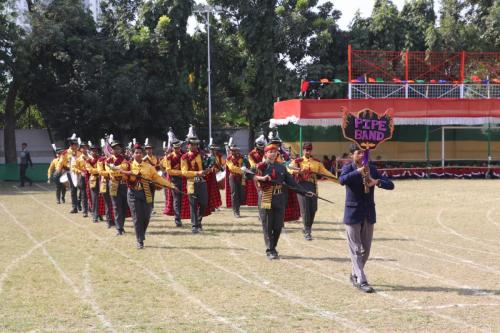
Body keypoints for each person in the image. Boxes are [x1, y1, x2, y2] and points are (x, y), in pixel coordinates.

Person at [339, 144, 394, 293]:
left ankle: (355, 273)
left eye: (363, 153)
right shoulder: (348, 168)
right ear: (352, 155)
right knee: (355, 249)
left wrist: (376, 181)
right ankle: (362, 280)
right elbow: (342, 180)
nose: (362, 156)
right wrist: (358, 172)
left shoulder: (372, 169)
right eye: (358, 153)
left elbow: (391, 185)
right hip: (352, 214)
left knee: (366, 250)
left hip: (368, 214)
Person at [254, 144, 314, 260]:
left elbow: (292, 182)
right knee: (267, 225)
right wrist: (262, 178)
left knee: (277, 226)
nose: (273, 153)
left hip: (279, 198)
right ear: (265, 153)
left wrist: (305, 192)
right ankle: (270, 250)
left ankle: (273, 246)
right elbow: (248, 174)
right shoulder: (261, 166)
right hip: (266, 197)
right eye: (270, 151)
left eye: (275, 151)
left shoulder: (281, 167)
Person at [119, 144, 177, 249]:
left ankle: (141, 233)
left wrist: (171, 185)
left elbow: (158, 178)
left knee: (146, 216)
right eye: (136, 152)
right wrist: (120, 171)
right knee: (137, 217)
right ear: (132, 154)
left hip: (146, 193)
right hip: (133, 193)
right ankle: (139, 240)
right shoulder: (128, 165)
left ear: (142, 154)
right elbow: (118, 172)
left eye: (140, 153)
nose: (138, 154)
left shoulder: (149, 167)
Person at [288, 142, 338, 240]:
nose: (308, 151)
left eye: (309, 150)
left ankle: (307, 227)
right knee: (305, 209)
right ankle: (307, 231)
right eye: (306, 149)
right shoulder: (298, 161)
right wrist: (298, 171)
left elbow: (326, 173)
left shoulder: (317, 162)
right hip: (301, 186)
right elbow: (288, 168)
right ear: (303, 150)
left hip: (312, 186)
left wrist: (338, 180)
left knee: (313, 209)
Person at [181, 126, 210, 234]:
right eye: (192, 144)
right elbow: (184, 172)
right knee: (193, 204)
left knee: (203, 203)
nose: (194, 146)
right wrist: (197, 173)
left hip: (201, 182)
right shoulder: (184, 157)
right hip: (191, 183)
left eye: (195, 144)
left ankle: (198, 220)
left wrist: (208, 170)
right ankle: (194, 225)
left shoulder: (201, 155)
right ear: (188, 145)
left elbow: (205, 168)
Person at [105, 140, 130, 236]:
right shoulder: (108, 160)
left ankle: (121, 226)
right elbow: (111, 172)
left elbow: (126, 169)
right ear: (111, 150)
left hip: (123, 184)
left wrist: (115, 168)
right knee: (116, 206)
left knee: (123, 206)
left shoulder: (125, 159)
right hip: (113, 184)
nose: (117, 150)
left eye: (118, 148)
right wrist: (120, 170)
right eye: (115, 148)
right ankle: (119, 228)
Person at [163, 130, 185, 227]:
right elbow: (168, 170)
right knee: (176, 200)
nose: (178, 149)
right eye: (176, 147)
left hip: (184, 180)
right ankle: (177, 219)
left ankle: (182, 216)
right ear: (173, 148)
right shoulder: (169, 157)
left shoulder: (183, 156)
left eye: (179, 147)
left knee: (182, 200)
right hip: (174, 181)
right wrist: (180, 173)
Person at [57, 135, 82, 213]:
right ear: (71, 145)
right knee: (73, 190)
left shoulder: (80, 152)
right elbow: (60, 162)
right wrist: (58, 170)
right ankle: (74, 207)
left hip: (79, 172)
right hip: (70, 172)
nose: (76, 146)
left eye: (76, 144)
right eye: (74, 144)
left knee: (82, 188)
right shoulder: (65, 152)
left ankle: (79, 201)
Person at [225, 144, 246, 218]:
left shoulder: (241, 157)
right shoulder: (228, 158)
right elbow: (231, 168)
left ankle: (238, 209)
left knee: (240, 194)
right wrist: (241, 170)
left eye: (235, 150)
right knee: (234, 194)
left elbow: (246, 164)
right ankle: (236, 211)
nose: (234, 151)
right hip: (233, 177)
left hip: (241, 177)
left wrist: (245, 166)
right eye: (232, 150)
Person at [143, 138, 160, 212]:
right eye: (147, 149)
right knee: (145, 193)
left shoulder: (156, 158)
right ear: (145, 150)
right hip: (145, 178)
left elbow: (158, 168)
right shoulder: (143, 159)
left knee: (152, 193)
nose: (149, 150)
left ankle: (151, 207)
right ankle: (146, 207)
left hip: (153, 178)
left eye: (150, 149)